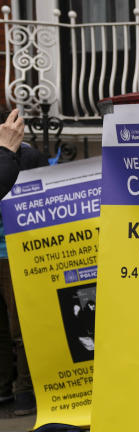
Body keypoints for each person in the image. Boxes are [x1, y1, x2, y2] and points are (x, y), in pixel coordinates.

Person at [0, 108, 45, 415]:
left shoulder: (26, 156)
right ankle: (13, 389)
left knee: (19, 327)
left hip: (15, 251)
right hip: (14, 250)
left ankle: (22, 391)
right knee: (13, 327)